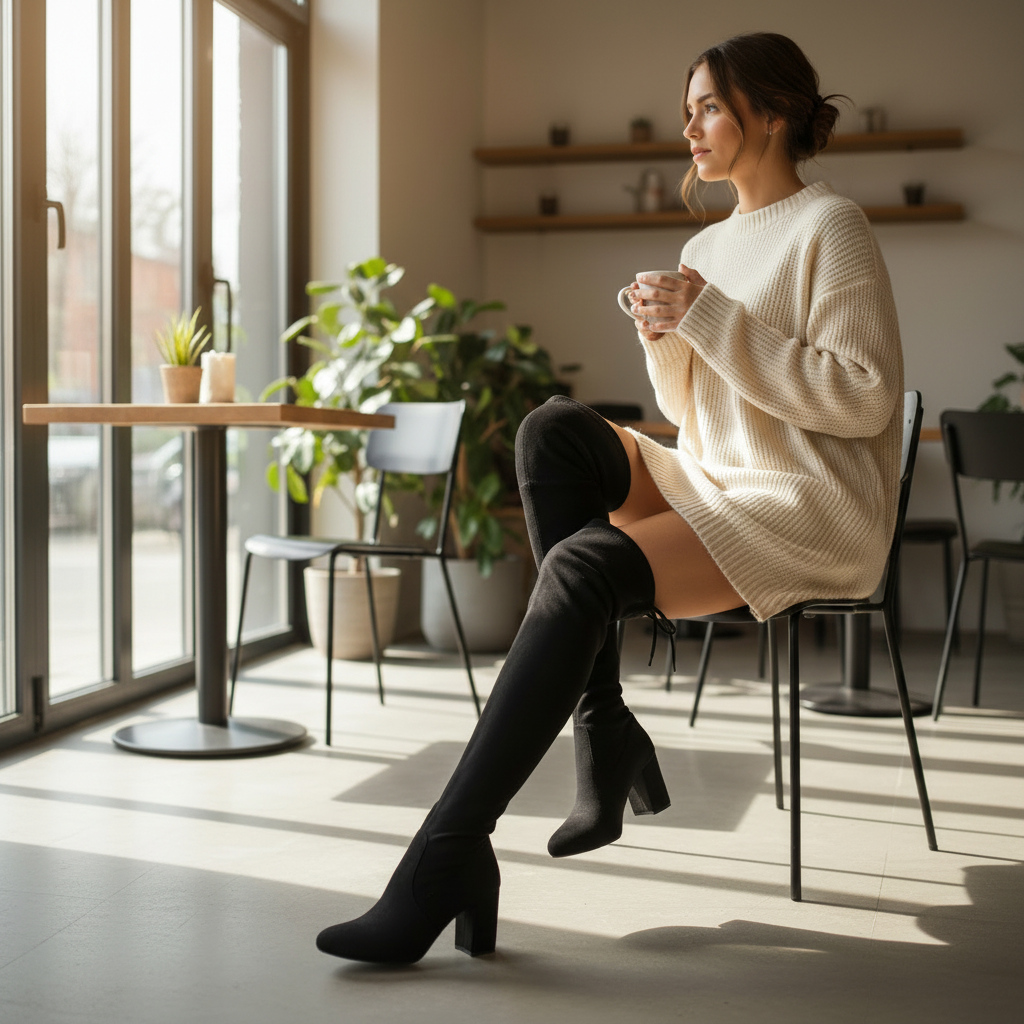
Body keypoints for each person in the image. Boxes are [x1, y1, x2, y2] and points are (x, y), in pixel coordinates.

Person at [315, 31, 904, 965]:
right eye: (690, 107)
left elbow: (863, 398)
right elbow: (691, 408)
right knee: (553, 429)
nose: (691, 125)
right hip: (716, 477)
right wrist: (667, 333)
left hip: (805, 507)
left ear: (776, 113)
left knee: (585, 565)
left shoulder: (831, 227)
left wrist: (707, 315)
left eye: (711, 105)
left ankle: (447, 852)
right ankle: (603, 721)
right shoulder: (708, 240)